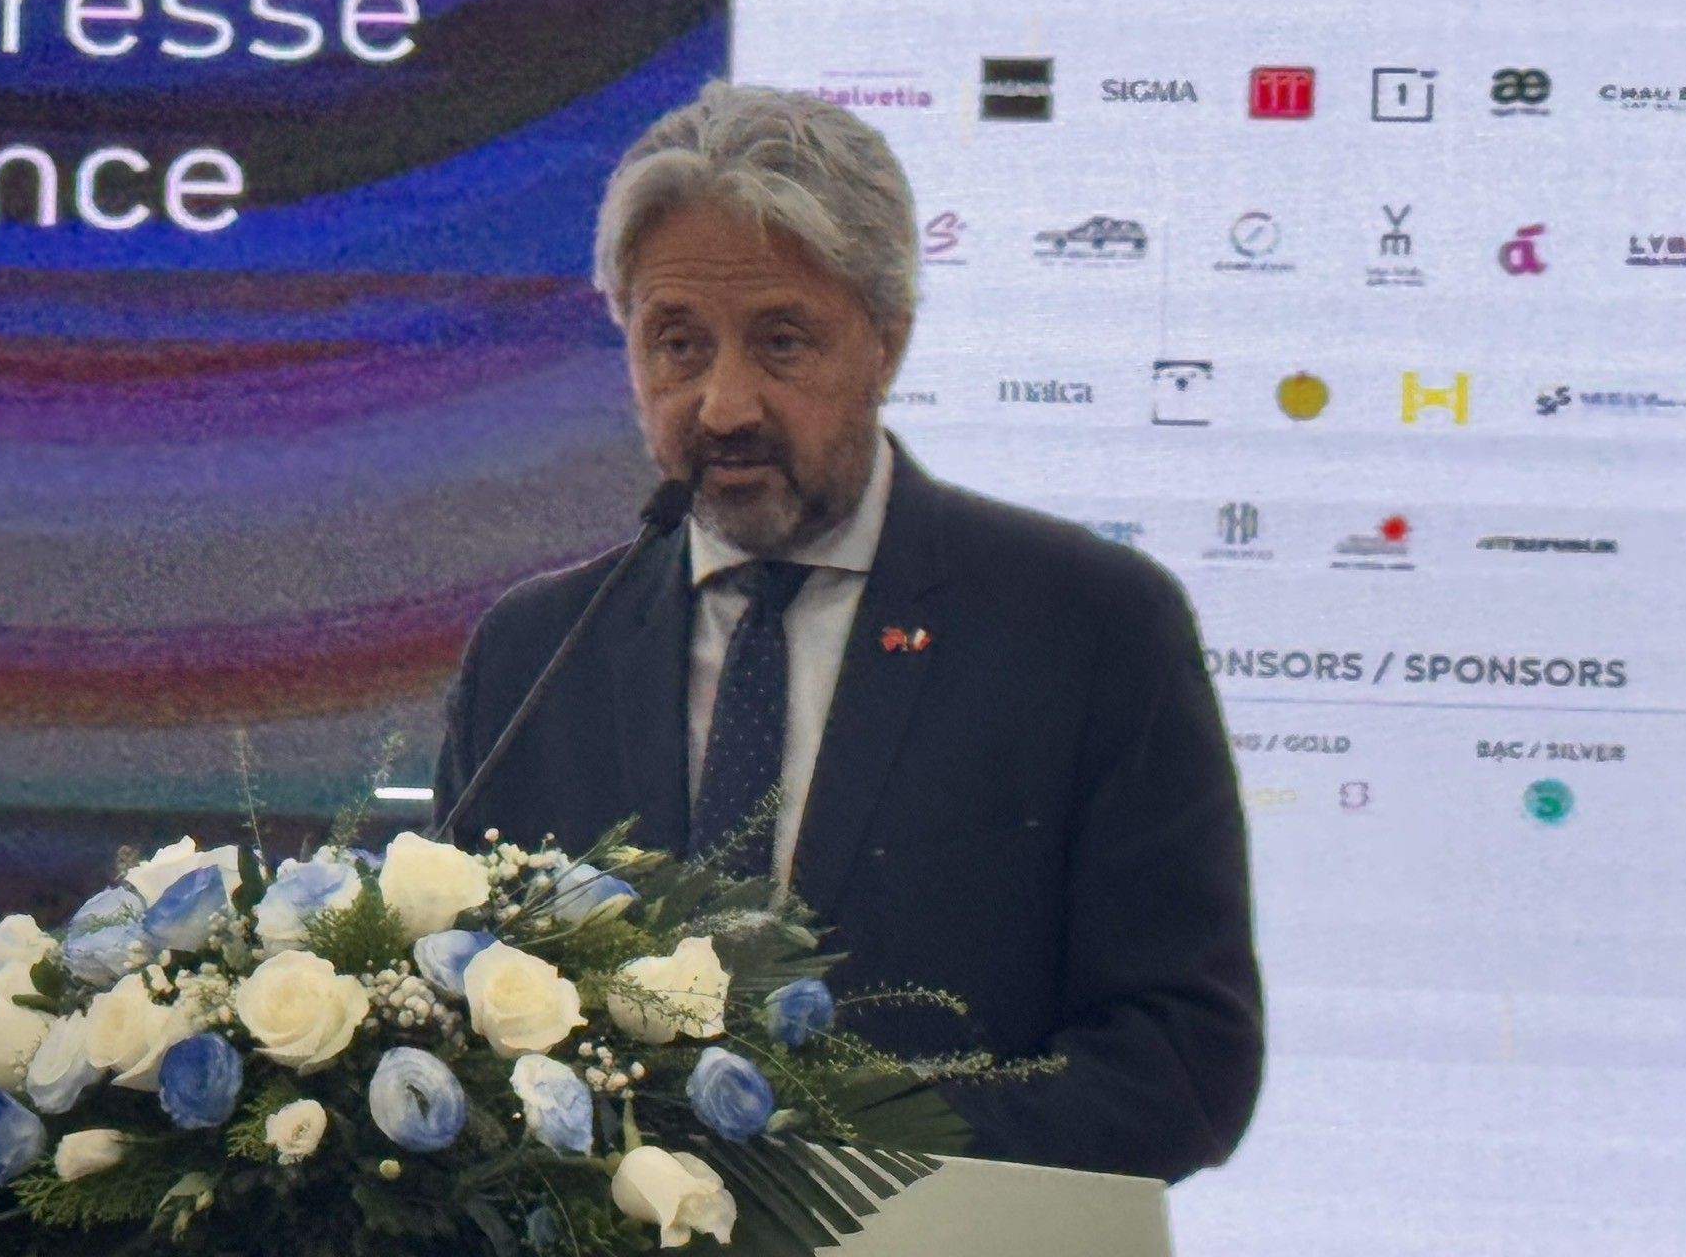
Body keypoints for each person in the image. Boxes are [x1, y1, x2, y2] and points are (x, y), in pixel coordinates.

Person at [433, 81, 1262, 1183]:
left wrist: (837, 1161)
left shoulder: (1087, 627)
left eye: (781, 343)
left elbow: (1184, 1060)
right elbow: (444, 1018)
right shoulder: (536, 655)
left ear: (886, 343)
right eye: (677, 344)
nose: (724, 406)